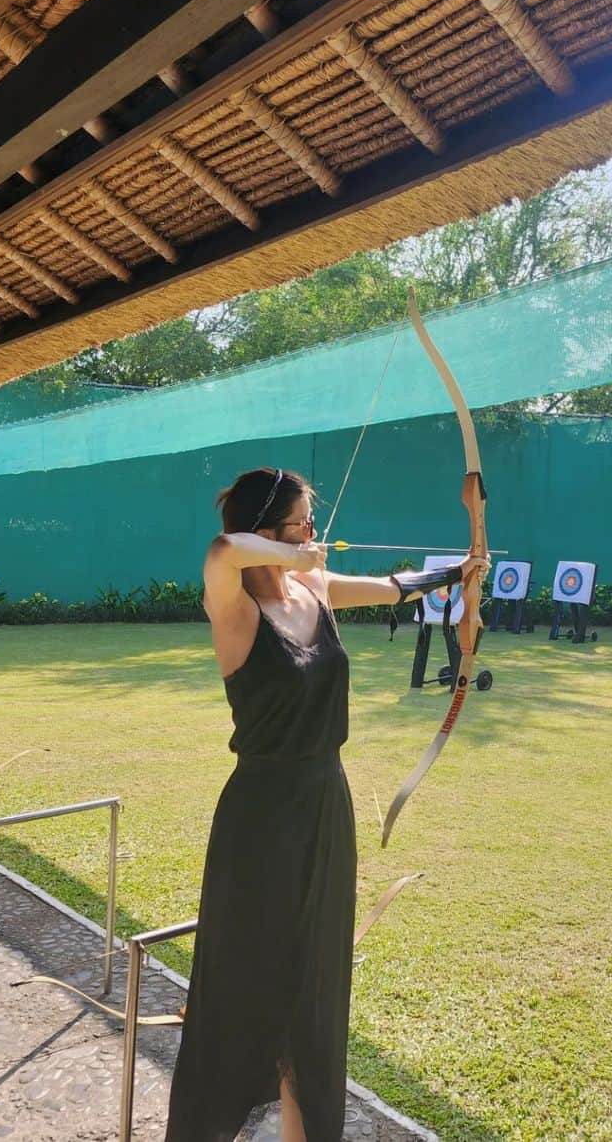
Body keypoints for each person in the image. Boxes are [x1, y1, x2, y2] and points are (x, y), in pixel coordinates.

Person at [165, 466, 487, 1142]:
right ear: (269, 533)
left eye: (311, 526)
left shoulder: (315, 586)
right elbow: (223, 552)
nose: (316, 536)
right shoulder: (235, 606)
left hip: (325, 806)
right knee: (243, 987)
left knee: (313, 994)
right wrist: (291, 555)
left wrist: (462, 570)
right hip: (259, 818)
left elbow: (395, 587)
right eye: (303, 524)